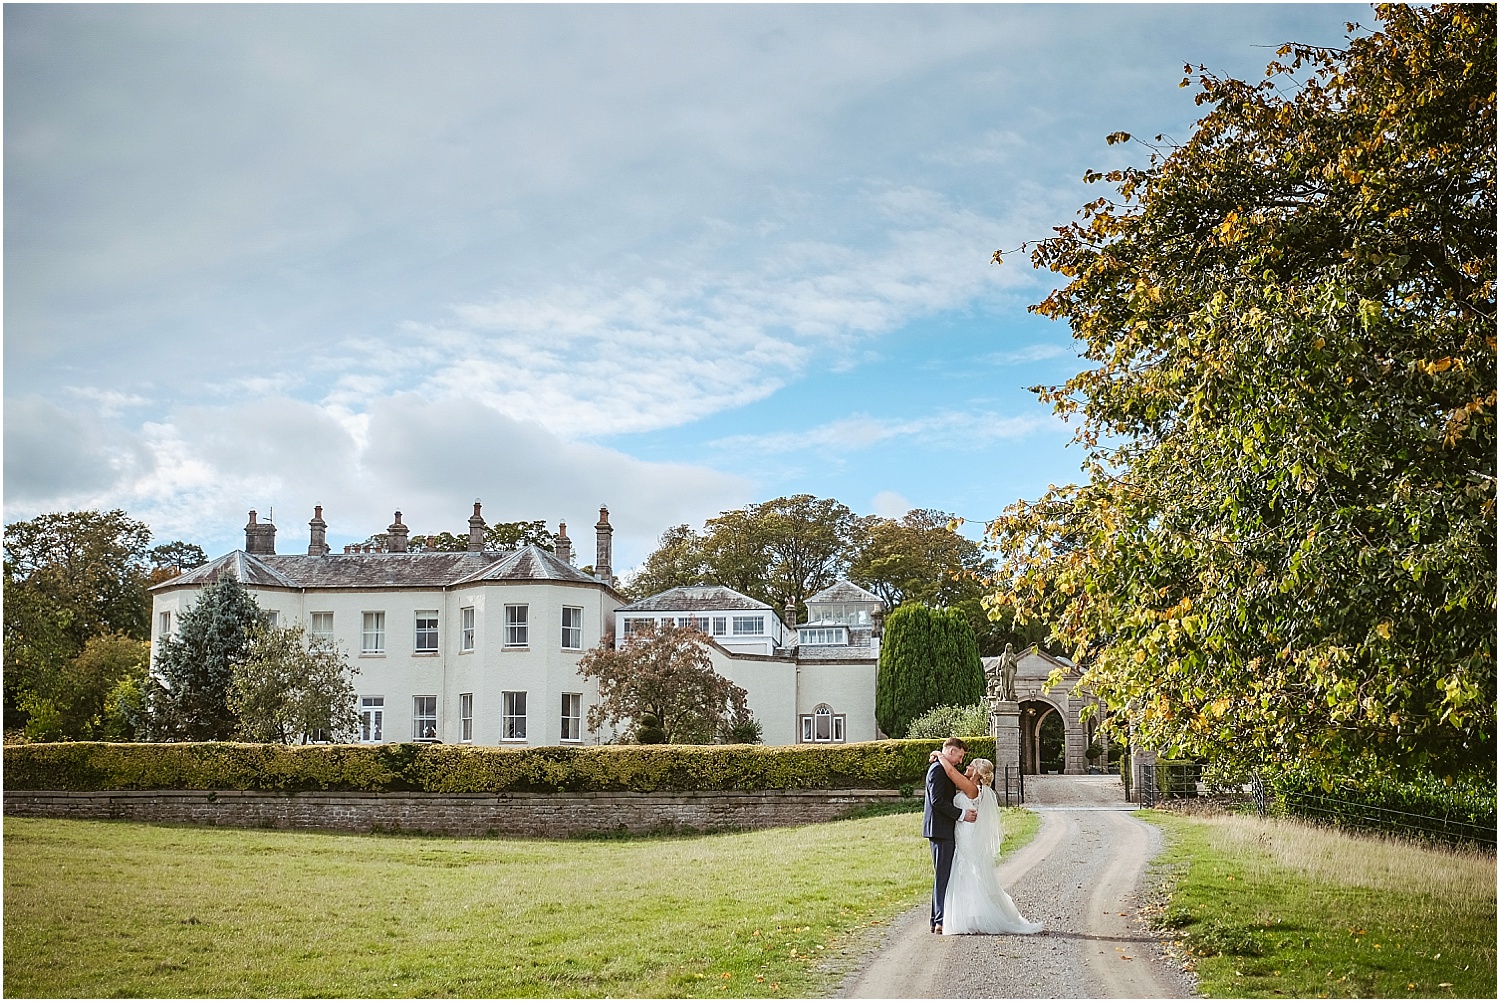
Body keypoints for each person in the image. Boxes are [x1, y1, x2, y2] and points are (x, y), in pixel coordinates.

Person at [929, 750, 1044, 936]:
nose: (965, 766)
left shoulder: (972, 789)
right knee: (966, 872)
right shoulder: (978, 790)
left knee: (966, 871)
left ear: (976, 773)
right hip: (965, 833)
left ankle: (971, 917)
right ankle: (967, 915)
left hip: (966, 835)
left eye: (970, 766)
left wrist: (940, 755)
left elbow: (950, 772)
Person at [924, 737, 977, 934]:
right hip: (939, 828)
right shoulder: (938, 770)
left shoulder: (943, 767)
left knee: (943, 874)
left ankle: (936, 919)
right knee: (943, 875)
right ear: (952, 751)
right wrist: (962, 814)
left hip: (943, 828)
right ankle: (940, 920)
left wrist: (938, 754)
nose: (961, 761)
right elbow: (937, 800)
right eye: (960, 756)